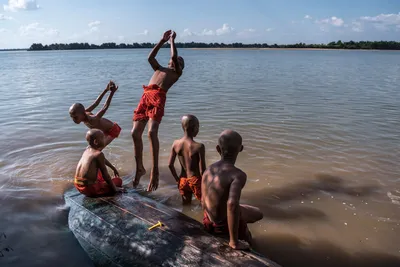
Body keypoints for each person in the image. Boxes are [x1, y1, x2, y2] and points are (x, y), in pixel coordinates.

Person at [131, 30, 185, 191]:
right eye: (174, 60)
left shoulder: (176, 73)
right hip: (145, 97)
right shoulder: (159, 68)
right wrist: (162, 41)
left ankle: (155, 171)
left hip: (158, 98)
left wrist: (172, 42)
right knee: (135, 133)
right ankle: (140, 168)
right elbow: (150, 58)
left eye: (179, 62)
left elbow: (175, 57)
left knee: (151, 133)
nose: (175, 61)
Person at [201, 130, 263, 250]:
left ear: (218, 149)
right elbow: (232, 204)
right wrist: (234, 242)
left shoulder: (208, 170)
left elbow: (204, 199)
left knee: (253, 212)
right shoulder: (238, 175)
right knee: (258, 214)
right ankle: (251, 248)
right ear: (241, 149)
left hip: (208, 220)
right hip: (222, 224)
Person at [69, 81, 121, 147]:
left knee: (98, 148)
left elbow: (105, 107)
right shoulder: (85, 112)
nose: (73, 119)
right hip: (103, 131)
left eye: (75, 117)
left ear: (82, 114)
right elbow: (96, 103)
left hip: (113, 130)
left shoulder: (92, 120)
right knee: (91, 147)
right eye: (71, 117)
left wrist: (112, 92)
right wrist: (105, 90)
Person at [74, 129, 124, 197]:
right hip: (89, 189)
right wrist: (115, 189)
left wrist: (113, 167)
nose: (105, 139)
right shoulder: (98, 154)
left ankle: (98, 184)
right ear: (96, 142)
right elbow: (106, 176)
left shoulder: (88, 149)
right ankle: (99, 187)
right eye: (103, 138)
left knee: (98, 169)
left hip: (78, 185)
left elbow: (102, 160)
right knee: (118, 181)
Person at [168, 115, 206, 205]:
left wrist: (177, 180)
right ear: (194, 128)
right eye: (198, 127)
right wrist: (206, 185)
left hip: (183, 180)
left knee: (186, 205)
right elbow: (202, 170)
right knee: (204, 204)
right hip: (195, 180)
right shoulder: (199, 146)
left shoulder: (176, 144)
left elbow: (170, 165)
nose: (198, 130)